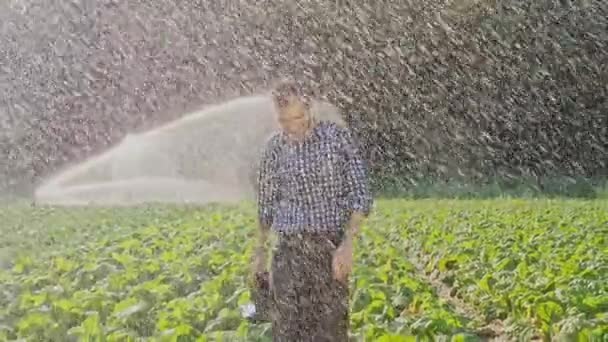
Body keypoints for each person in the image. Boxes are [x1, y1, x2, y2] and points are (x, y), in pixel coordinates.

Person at [252, 79, 373, 341]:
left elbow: (360, 194)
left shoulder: (337, 138)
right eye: (284, 121)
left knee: (329, 331)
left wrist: (348, 244)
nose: (292, 127)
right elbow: (266, 205)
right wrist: (260, 253)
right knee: (286, 331)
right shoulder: (274, 148)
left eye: (297, 117)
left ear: (309, 108)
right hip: (288, 251)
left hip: (328, 250)